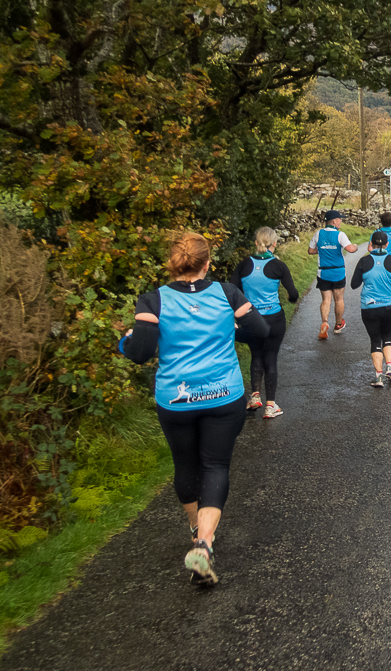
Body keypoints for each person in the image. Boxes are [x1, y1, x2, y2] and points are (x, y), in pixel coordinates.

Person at [118, 232, 268, 585]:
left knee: (185, 465)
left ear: (172, 264)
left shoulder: (153, 301)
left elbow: (140, 352)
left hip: (177, 399)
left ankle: (196, 533)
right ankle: (204, 543)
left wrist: (123, 340)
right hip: (223, 396)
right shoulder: (227, 294)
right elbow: (259, 331)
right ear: (207, 263)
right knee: (215, 465)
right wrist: (234, 327)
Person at [233, 226, 299, 419]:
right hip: (274, 319)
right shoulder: (279, 266)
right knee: (270, 358)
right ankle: (271, 406)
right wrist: (290, 300)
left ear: (256, 243)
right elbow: (293, 294)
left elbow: (233, 290)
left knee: (256, 354)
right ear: (275, 244)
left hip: (251, 319)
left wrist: (239, 313)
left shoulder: (244, 265)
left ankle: (255, 397)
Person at [349, 230, 391, 388]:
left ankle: (378, 376)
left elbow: (354, 285)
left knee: (375, 340)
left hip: (369, 307)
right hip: (389, 306)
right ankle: (390, 366)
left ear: (371, 245)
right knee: (387, 336)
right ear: (387, 244)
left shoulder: (363, 261)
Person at [308, 209, 358, 338]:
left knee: (326, 300)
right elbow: (350, 249)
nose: (341, 221)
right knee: (339, 299)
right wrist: (356, 246)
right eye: (340, 219)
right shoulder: (340, 235)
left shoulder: (318, 234)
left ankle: (324, 322)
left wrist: (323, 251)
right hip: (338, 272)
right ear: (334, 221)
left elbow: (310, 251)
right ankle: (338, 325)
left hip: (323, 272)